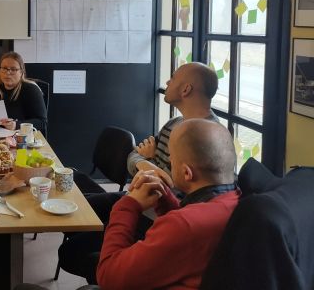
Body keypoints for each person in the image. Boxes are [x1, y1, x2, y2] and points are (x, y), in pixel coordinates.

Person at [59, 62, 220, 283]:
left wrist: (149, 164)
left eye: (173, 78)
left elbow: (175, 188)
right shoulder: (175, 123)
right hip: (139, 198)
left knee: (70, 252)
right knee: (75, 209)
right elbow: (134, 157)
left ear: (186, 89)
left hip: (155, 217)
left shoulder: (209, 137)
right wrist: (148, 165)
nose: (167, 82)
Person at [96, 118, 240, 289]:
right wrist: (166, 199)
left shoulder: (183, 225)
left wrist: (128, 204)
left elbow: (109, 276)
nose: (170, 160)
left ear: (186, 173)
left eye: (172, 158)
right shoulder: (241, 203)